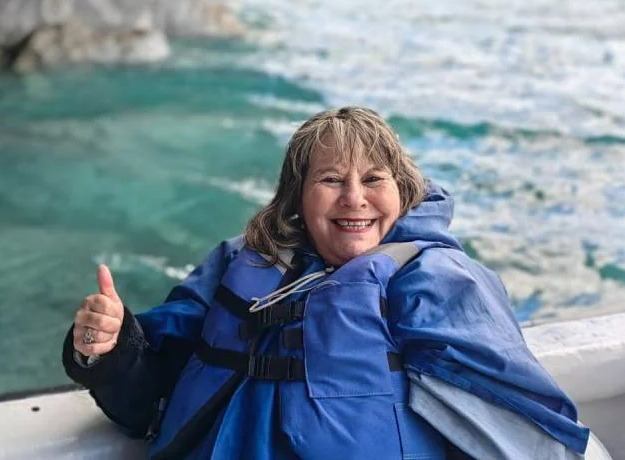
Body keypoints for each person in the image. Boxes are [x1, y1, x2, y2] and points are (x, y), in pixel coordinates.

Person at [62, 107, 592, 459]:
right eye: (331, 179)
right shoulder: (237, 263)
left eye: (374, 180)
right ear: (297, 196)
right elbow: (151, 382)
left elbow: (519, 423)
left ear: (403, 191)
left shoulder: (433, 278)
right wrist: (107, 346)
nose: (354, 198)